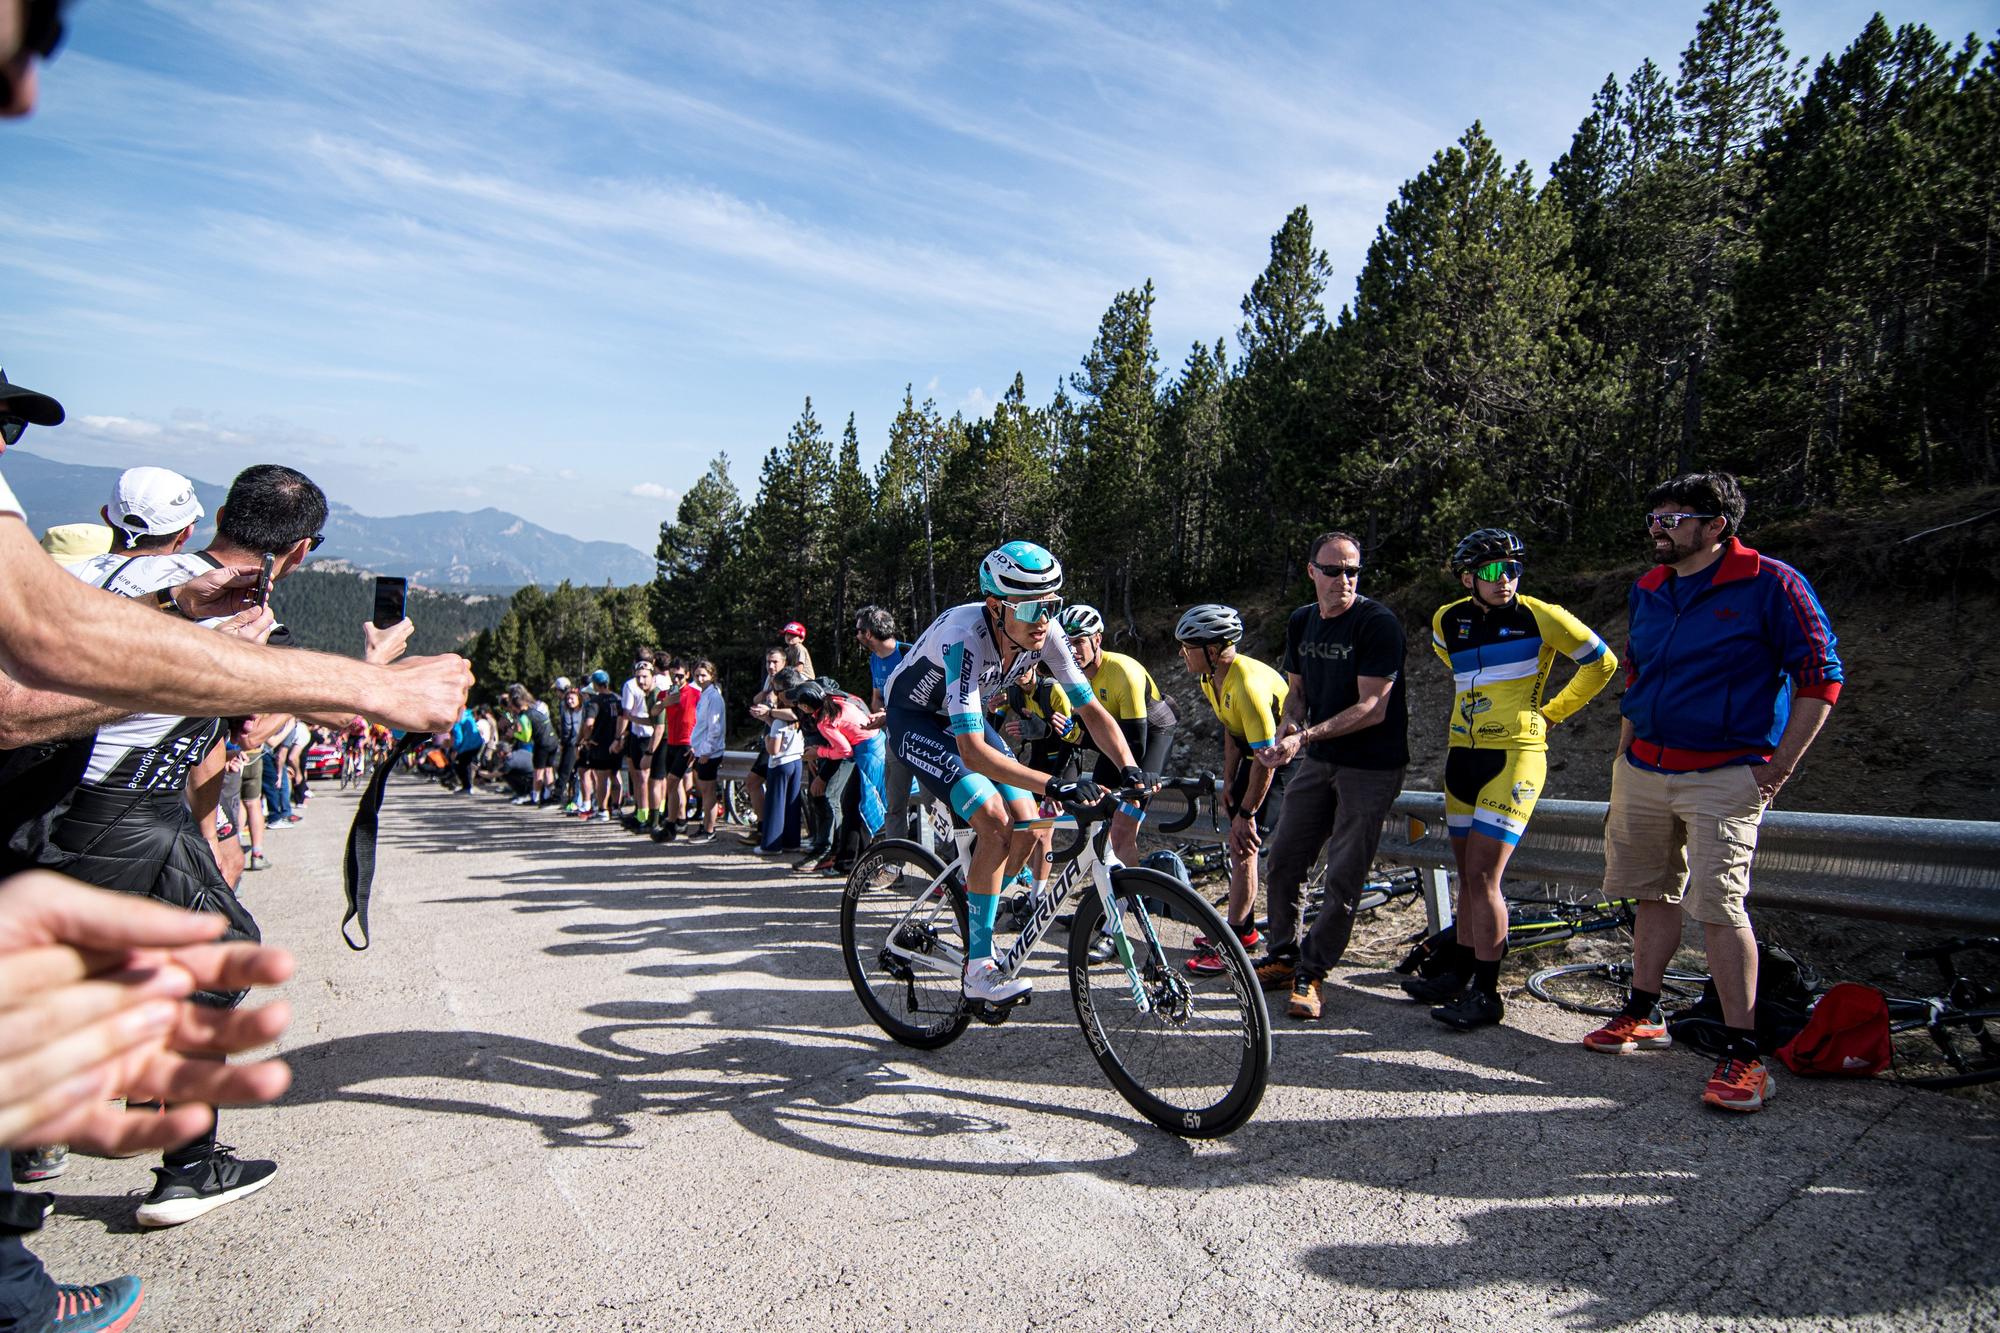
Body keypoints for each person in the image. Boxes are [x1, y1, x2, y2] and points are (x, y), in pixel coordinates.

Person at [1586, 473, 1842, 1115]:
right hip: (1644, 765)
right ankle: (1643, 1015)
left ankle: (1746, 1056)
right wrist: (1622, 752)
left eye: (1673, 517)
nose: (1658, 527)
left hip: (1727, 771)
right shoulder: (1648, 587)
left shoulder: (1772, 583)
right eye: (1655, 516)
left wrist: (1775, 770)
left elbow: (1822, 679)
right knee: (1650, 891)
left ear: (1716, 525)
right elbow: (1639, 672)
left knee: (1720, 907)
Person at [882, 542, 1148, 1008]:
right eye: (1030, 607)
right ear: (995, 606)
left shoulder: (1046, 635)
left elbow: (1091, 709)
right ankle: (978, 967)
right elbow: (973, 753)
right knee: (993, 819)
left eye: (1052, 604)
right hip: (917, 718)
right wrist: (1054, 784)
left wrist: (1130, 769)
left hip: (963, 717)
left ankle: (973, 904)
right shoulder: (965, 637)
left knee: (1031, 824)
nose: (1043, 618)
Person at [1415, 528, 1617, 1030]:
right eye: (1491, 571)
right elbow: (1457, 665)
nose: (1505, 578)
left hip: (1516, 755)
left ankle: (1488, 993)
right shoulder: (1447, 620)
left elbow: (1603, 662)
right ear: (1468, 578)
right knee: (1465, 875)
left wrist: (1551, 713)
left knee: (1485, 876)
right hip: (1462, 754)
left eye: (1513, 568)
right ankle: (1458, 975)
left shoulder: (1538, 614)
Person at [1253, 531, 1410, 1023]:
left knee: (1344, 872)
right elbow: (1297, 694)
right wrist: (1287, 728)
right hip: (1318, 757)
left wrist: (1305, 737)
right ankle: (1282, 955)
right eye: (1334, 569)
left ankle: (1314, 970)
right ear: (1312, 572)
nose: (1344, 579)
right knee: (1283, 858)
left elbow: (1371, 708)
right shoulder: (1302, 621)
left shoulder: (1377, 624)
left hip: (1371, 764)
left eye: (1352, 571)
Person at [1173, 604, 1285, 975]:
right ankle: (1247, 930)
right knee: (1239, 847)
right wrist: (1228, 780)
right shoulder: (1211, 678)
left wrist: (1248, 813)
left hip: (1281, 763)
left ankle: (1234, 942)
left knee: (1244, 847)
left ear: (1212, 649)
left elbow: (1267, 759)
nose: (1181, 654)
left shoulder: (1248, 685)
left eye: (1188, 647)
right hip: (1254, 756)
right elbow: (1232, 732)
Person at [1055, 603, 1178, 866]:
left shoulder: (1123, 671)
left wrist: (1081, 738)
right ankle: (1108, 890)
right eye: (1067, 643)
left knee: (1121, 831)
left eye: (1079, 642)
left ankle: (1131, 898)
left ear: (1097, 639)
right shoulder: (1070, 678)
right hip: (1115, 736)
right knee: (1095, 818)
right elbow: (1076, 740)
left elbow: (1134, 743)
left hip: (1151, 734)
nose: (1072, 651)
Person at [787, 680, 885, 875]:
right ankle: (851, 863)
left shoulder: (825, 721)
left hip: (869, 756)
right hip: (875, 746)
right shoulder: (837, 700)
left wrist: (819, 752)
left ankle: (873, 866)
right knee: (853, 806)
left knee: (867, 810)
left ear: (806, 707)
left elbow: (844, 751)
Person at [855, 606, 910, 840]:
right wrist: (876, 718)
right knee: (894, 805)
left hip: (923, 738)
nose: (856, 635)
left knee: (933, 805)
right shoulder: (874, 659)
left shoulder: (909, 653)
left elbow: (924, 700)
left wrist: (888, 715)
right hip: (893, 740)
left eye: (858, 630)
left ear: (868, 633)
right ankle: (895, 863)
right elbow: (877, 697)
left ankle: (952, 865)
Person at [754, 670, 807, 856]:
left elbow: (773, 749)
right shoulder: (799, 712)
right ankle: (792, 843)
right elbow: (791, 720)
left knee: (775, 805)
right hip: (796, 761)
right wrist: (768, 718)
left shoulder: (779, 719)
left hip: (780, 763)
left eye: (777, 691)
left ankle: (771, 845)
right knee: (792, 805)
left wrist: (768, 737)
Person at [647, 658, 699, 842]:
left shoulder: (694, 693)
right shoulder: (666, 693)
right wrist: (664, 703)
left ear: (687, 675)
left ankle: (670, 823)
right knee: (675, 784)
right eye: (673, 676)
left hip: (687, 743)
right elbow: (653, 712)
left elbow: (704, 718)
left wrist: (698, 744)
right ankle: (680, 819)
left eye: (679, 676)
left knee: (672, 780)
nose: (676, 680)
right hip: (672, 743)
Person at [575, 670, 624, 822]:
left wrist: (586, 740)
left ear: (595, 684)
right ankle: (616, 807)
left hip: (600, 744)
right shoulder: (618, 699)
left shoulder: (594, 701)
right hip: (617, 742)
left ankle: (603, 810)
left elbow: (589, 724)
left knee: (602, 778)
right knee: (616, 775)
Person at [687, 661, 726, 844]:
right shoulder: (704, 695)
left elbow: (715, 727)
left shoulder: (714, 697)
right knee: (704, 790)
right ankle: (705, 826)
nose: (700, 679)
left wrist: (706, 751)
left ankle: (709, 830)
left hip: (709, 752)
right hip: (701, 749)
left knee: (709, 791)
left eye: (704, 675)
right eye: (697, 675)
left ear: (712, 676)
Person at [617, 658, 657, 830]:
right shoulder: (632, 685)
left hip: (648, 736)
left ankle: (647, 815)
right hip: (637, 733)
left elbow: (627, 713)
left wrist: (619, 736)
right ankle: (642, 813)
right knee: (640, 778)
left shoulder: (656, 689)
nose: (641, 680)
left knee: (645, 778)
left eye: (644, 676)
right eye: (638, 676)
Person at [554, 684, 584, 812]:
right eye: (568, 699)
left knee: (569, 772)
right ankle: (570, 798)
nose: (570, 701)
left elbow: (571, 731)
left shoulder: (581, 712)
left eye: (572, 699)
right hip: (569, 744)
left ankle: (563, 797)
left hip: (577, 745)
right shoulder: (567, 711)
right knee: (570, 774)